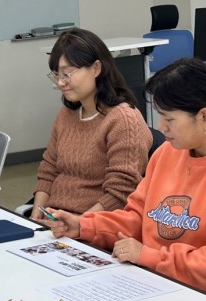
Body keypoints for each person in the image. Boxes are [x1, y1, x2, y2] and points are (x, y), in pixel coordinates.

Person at [48, 58, 206, 301]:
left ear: (205, 117)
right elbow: (138, 218)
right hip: (153, 281)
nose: (161, 127)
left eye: (169, 119)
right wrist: (84, 226)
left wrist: (149, 256)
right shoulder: (168, 153)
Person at [31, 28, 152, 220]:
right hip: (55, 220)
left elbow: (121, 192)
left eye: (67, 74)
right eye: (56, 75)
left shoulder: (123, 120)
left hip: (93, 225)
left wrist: (79, 223)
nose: (60, 83)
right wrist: (35, 217)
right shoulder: (65, 116)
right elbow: (48, 171)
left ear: (96, 68)